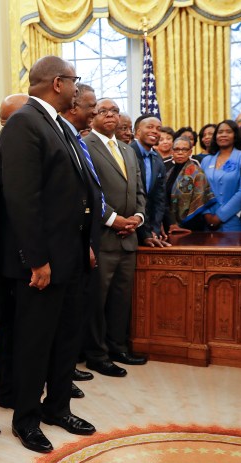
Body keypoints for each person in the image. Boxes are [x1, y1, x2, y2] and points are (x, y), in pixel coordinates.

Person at [0, 56, 96, 454]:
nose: (77, 88)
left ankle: (57, 407)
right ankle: (26, 419)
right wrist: (37, 260)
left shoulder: (55, 123)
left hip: (70, 255)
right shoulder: (25, 122)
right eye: (74, 81)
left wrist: (85, 243)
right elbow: (22, 200)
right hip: (43, 262)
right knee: (35, 342)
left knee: (66, 338)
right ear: (58, 83)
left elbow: (73, 190)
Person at [84, 98, 148, 377]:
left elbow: (139, 190)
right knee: (97, 301)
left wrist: (138, 218)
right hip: (102, 237)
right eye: (104, 111)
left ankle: (118, 347)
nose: (110, 115)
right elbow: (88, 191)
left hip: (128, 238)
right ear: (92, 117)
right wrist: (112, 219)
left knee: (121, 299)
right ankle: (97, 355)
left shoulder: (127, 149)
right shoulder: (85, 145)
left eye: (115, 111)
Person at [58, 82, 105, 399]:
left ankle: (65, 372)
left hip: (83, 240)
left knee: (75, 315)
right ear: (73, 106)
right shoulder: (61, 138)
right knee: (61, 320)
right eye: (92, 106)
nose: (96, 112)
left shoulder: (76, 139)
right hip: (63, 246)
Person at [0, 92, 29, 409]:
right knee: (14, 326)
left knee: (13, 327)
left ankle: (5, 384)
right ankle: (6, 387)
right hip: (12, 253)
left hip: (11, 252)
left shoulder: (4, 142)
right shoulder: (8, 145)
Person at [201, 119, 241, 231]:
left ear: (235, 136)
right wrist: (207, 214)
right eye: (220, 132)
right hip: (208, 221)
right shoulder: (206, 160)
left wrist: (219, 217)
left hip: (234, 220)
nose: (223, 135)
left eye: (228, 132)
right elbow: (200, 190)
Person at [164, 136, 216, 232]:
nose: (180, 152)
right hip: (168, 224)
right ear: (172, 151)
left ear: (190, 152)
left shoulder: (198, 173)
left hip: (191, 225)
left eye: (184, 149)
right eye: (177, 149)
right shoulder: (168, 171)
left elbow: (200, 202)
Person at [132, 114, 168, 243]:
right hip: (131, 227)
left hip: (150, 231)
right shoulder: (127, 153)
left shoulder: (158, 158)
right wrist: (145, 233)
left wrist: (155, 230)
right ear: (138, 132)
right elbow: (134, 198)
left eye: (158, 128)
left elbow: (159, 199)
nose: (155, 131)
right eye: (150, 127)